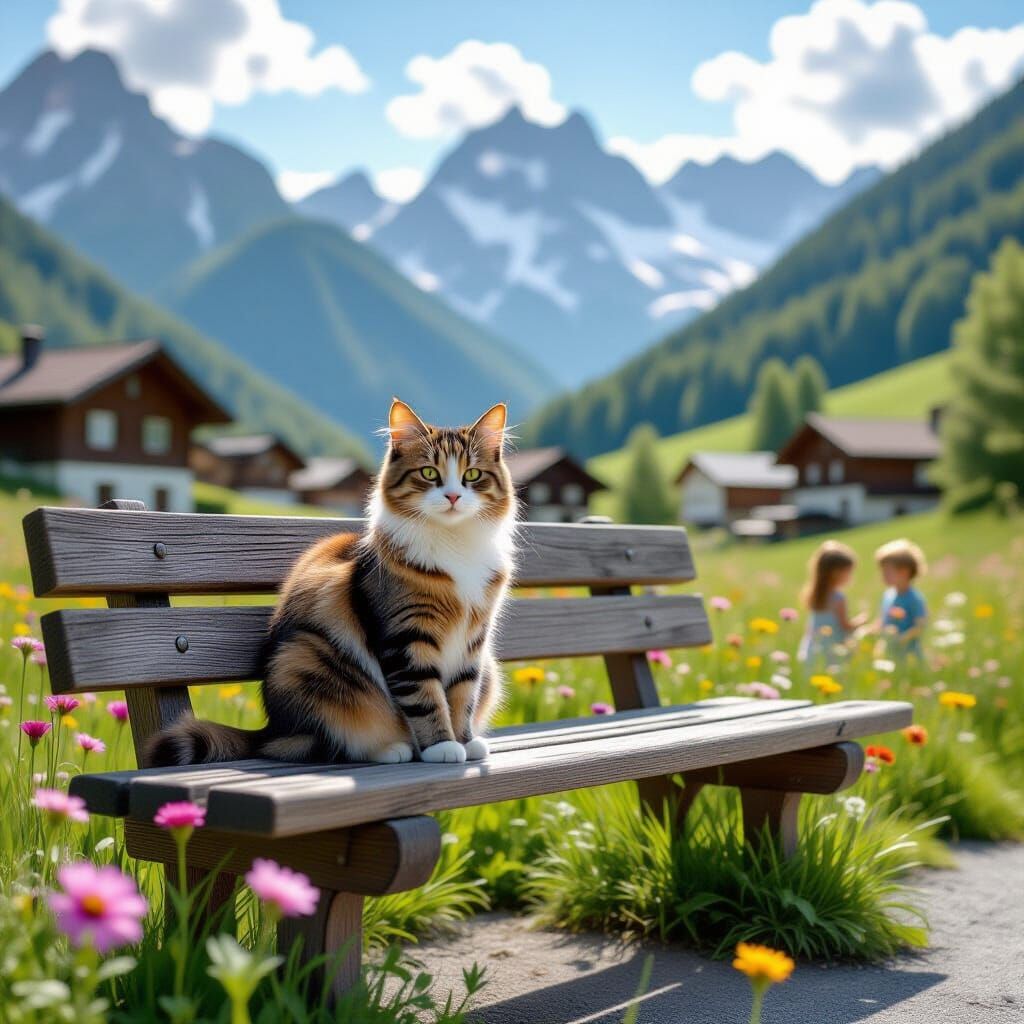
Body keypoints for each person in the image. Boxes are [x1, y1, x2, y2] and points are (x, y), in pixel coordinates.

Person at [798, 540, 865, 664]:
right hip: (832, 652)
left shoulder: (814, 594)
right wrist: (860, 621)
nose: (850, 576)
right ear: (836, 573)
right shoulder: (838, 598)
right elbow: (845, 626)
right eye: (848, 572)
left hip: (813, 651)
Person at [874, 538, 928, 658]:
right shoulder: (888, 595)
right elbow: (883, 620)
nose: (883, 575)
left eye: (887, 571)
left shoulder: (914, 598)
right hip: (891, 652)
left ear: (904, 571)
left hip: (910, 654)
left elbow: (920, 626)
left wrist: (902, 639)